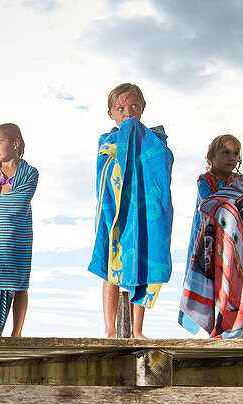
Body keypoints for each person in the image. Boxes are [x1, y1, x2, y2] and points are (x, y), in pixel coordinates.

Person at [88, 83, 173, 338]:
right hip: (116, 212)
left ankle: (137, 330)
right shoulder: (107, 141)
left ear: (143, 108)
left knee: (141, 266)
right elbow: (103, 175)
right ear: (111, 114)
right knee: (110, 266)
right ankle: (110, 329)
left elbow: (161, 167)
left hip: (143, 213)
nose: (128, 112)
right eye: (121, 108)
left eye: (134, 106)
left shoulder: (153, 141)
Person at [178, 134, 243, 337]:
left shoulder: (239, 181)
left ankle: (229, 329)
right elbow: (209, 205)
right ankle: (212, 328)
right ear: (211, 156)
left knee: (231, 282)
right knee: (209, 282)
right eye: (226, 152)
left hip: (233, 244)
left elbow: (241, 210)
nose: (232, 157)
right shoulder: (204, 180)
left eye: (236, 153)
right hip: (208, 241)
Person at [0, 124, 38, 337]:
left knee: (20, 283)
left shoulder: (29, 172)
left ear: (15, 144)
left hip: (18, 234)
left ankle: (17, 332)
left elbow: (20, 200)